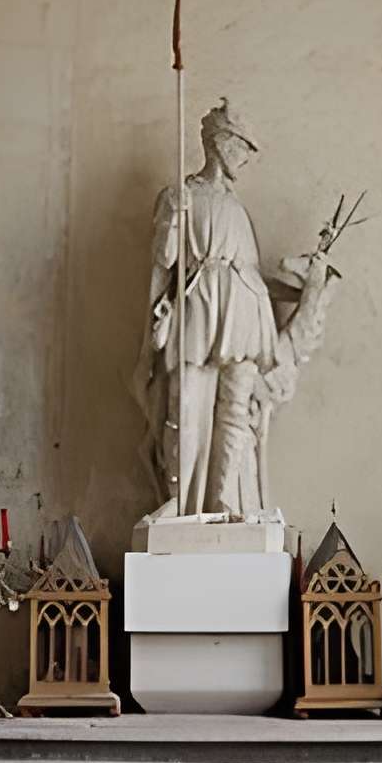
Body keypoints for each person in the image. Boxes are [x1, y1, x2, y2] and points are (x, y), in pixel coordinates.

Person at [133, 98, 334, 518]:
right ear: (221, 143)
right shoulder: (181, 194)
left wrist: (309, 283)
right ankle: (183, 507)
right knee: (185, 406)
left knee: (235, 412)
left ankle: (224, 501)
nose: (247, 157)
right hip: (200, 311)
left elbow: (251, 276)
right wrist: (173, 218)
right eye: (243, 146)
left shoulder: (238, 210)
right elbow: (165, 263)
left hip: (245, 315)